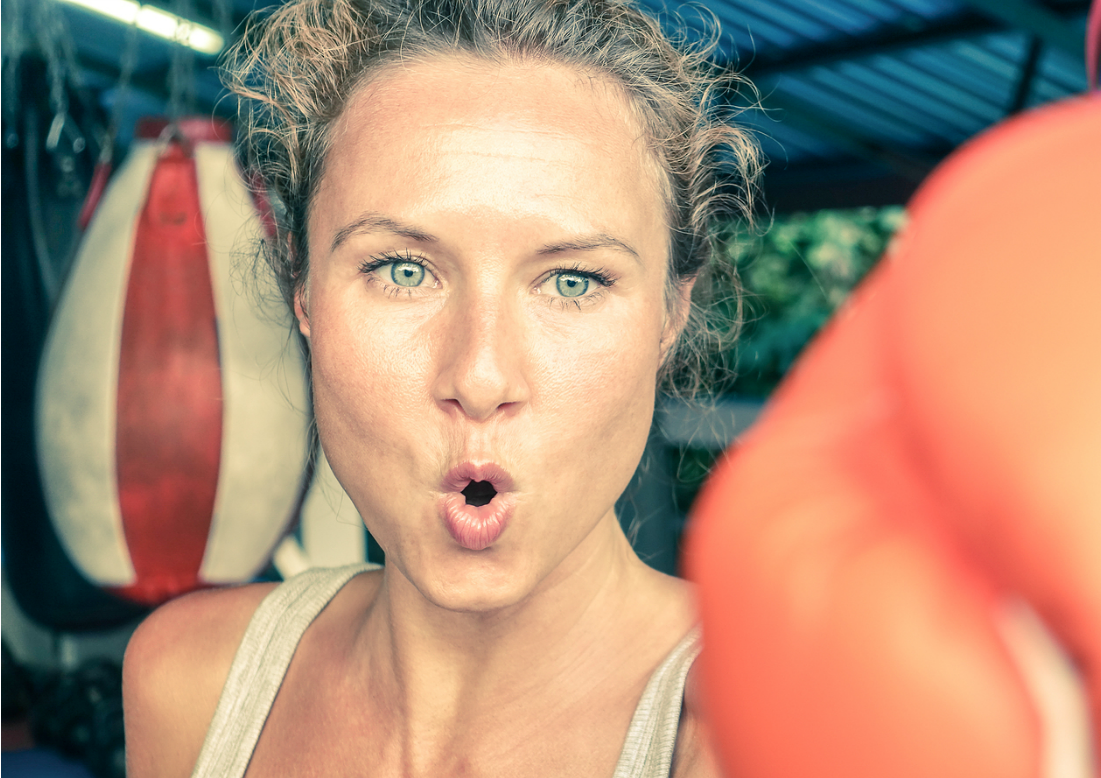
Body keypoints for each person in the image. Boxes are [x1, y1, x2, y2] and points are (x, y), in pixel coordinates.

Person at [122, 1, 760, 775]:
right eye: (404, 271)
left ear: (671, 311)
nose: (481, 377)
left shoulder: (765, 732)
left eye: (571, 280)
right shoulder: (194, 681)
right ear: (303, 286)